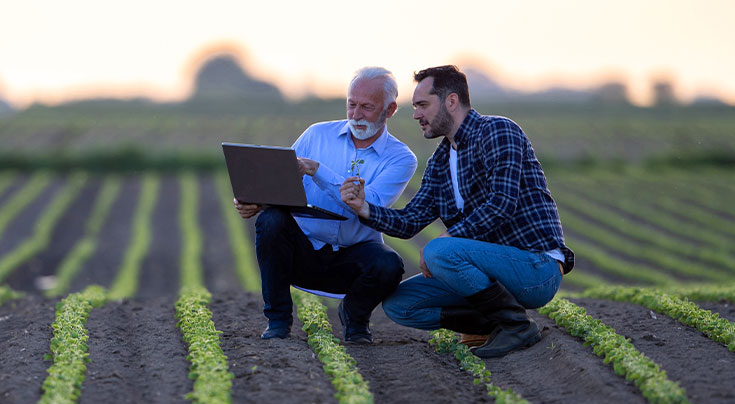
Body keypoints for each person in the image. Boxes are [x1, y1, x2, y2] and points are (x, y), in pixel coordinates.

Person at [340, 65, 573, 358]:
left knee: (440, 251)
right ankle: (488, 325)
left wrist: (445, 240)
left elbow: (502, 204)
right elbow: (410, 221)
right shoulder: (440, 160)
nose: (416, 115)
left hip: (534, 267)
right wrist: (364, 208)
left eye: (423, 105)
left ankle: (516, 326)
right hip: (484, 271)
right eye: (414, 107)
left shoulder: (498, 131)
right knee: (400, 305)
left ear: (451, 101)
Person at [235, 66, 418, 343]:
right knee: (271, 220)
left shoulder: (401, 158)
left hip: (352, 257)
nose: (356, 115)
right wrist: (254, 201)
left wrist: (318, 170)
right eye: (351, 104)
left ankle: (355, 320)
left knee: (389, 263)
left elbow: (372, 205)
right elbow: (281, 182)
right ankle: (278, 321)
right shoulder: (316, 135)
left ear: (390, 109)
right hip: (303, 252)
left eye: (367, 107)